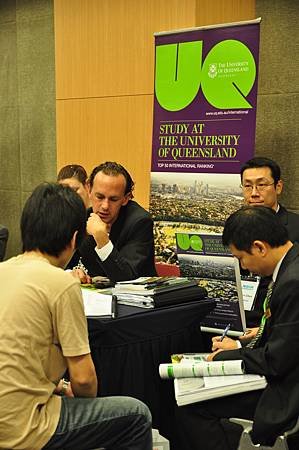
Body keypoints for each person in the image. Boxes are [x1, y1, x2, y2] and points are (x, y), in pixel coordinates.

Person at [0, 182, 152, 450]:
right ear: (74, 239)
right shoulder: (61, 283)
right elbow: (83, 379)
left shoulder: (3, 270)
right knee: (136, 415)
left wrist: (56, 386)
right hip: (25, 427)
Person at [176, 206, 299, 450]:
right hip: (284, 373)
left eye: (241, 258)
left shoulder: (292, 283)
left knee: (191, 407)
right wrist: (242, 344)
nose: (242, 267)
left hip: (287, 391)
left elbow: (277, 359)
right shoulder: (291, 266)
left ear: (259, 247)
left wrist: (225, 357)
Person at [69, 161, 157, 282]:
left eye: (113, 199)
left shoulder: (139, 222)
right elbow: (64, 264)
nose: (105, 206)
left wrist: (102, 239)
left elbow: (125, 277)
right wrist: (73, 272)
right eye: (99, 197)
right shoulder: (82, 218)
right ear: (89, 189)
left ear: (126, 198)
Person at [240, 156, 299, 327]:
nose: (254, 193)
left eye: (261, 185)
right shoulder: (236, 225)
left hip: (279, 322)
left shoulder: (296, 227)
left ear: (278, 187)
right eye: (248, 186)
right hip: (237, 317)